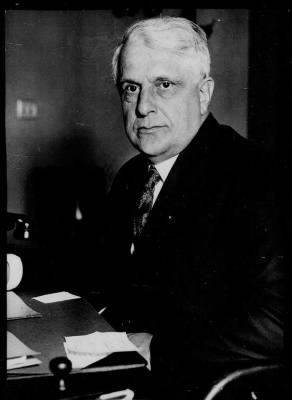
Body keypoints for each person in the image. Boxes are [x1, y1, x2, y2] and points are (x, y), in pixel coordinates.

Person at [99, 16, 286, 398]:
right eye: (130, 88)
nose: (142, 107)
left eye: (164, 85)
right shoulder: (132, 178)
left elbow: (278, 321)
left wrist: (158, 348)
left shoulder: (255, 178)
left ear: (203, 94)